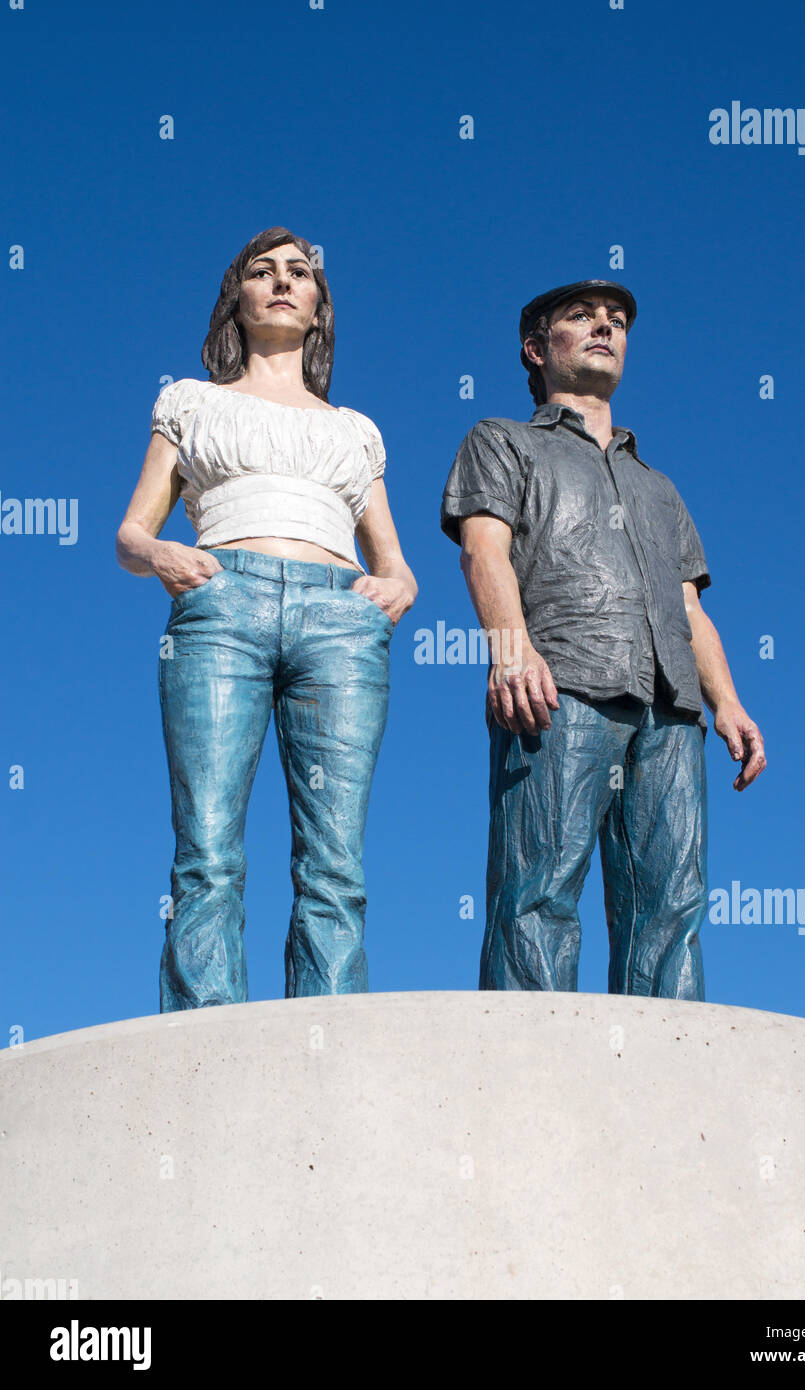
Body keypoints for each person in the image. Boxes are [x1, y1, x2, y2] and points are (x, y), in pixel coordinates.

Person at [117, 226, 417, 1011]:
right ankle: (203, 1043)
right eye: (262, 272)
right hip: (223, 604)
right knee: (208, 848)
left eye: (298, 273)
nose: (282, 282)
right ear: (238, 299)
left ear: (319, 308)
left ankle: (329, 1039)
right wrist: (166, 556)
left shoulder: (354, 429)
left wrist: (395, 589)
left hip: (337, 617)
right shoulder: (191, 401)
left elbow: (396, 560)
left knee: (335, 860)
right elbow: (129, 533)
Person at [440, 279, 765, 996]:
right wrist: (509, 650)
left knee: (671, 905)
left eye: (615, 321)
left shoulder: (657, 486)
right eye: (581, 317)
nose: (603, 327)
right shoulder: (502, 441)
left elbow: (689, 609)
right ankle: (530, 1080)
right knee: (539, 889)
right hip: (560, 689)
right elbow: (482, 551)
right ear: (535, 348)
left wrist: (729, 704)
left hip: (671, 707)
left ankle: (666, 1076)